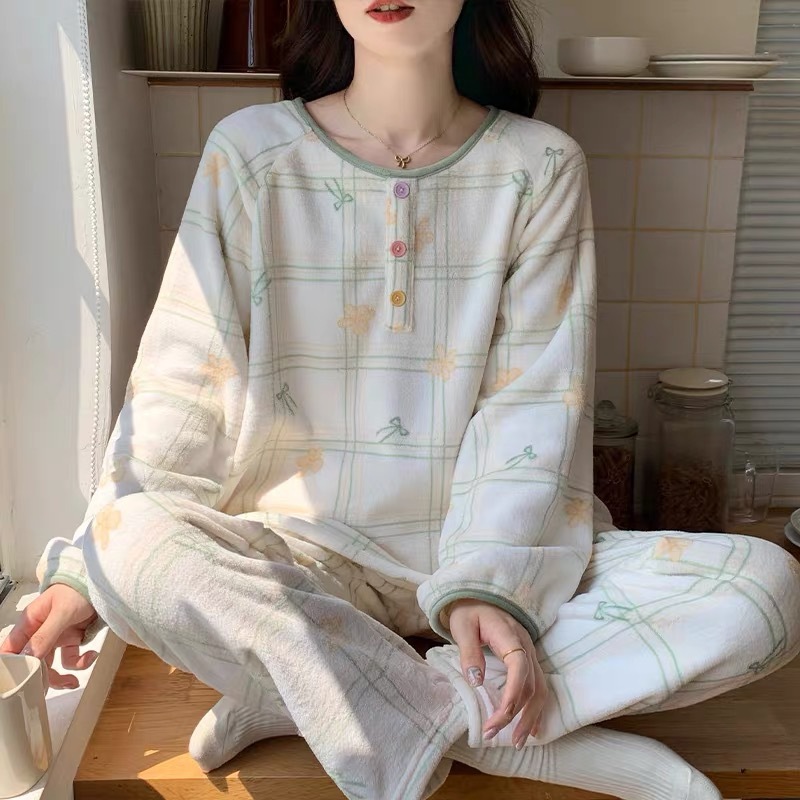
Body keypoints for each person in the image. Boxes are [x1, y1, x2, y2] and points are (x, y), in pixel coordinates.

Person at [3, 1, 799, 798]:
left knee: (766, 591)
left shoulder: (540, 165)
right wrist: (85, 574)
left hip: (491, 545)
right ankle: (481, 726)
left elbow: (532, 404)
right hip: (296, 559)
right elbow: (184, 383)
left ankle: (329, 696)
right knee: (127, 540)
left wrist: (488, 585)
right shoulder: (251, 151)